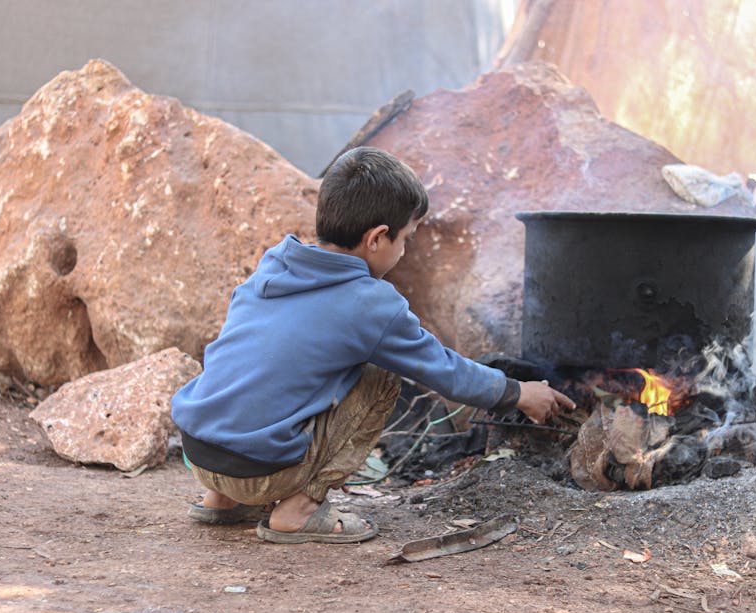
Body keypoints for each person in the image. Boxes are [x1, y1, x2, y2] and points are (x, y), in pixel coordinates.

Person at [171, 146, 574, 544]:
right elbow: (443, 370)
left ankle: (221, 501)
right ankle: (298, 511)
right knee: (382, 376)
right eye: (407, 239)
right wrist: (517, 392)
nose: (405, 250)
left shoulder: (276, 264)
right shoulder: (371, 304)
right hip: (258, 470)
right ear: (378, 238)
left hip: (200, 452)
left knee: (259, 376)